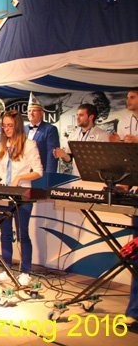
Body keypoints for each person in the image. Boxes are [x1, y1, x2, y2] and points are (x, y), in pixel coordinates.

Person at [0, 110, 43, 288]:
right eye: (4, 126)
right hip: (4, 194)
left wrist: (20, 178)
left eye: (10, 126)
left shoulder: (29, 145)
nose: (7, 129)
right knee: (4, 233)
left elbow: (38, 171)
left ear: (17, 126)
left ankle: (26, 272)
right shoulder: (1, 146)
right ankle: (6, 268)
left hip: (22, 196)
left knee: (22, 234)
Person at [110, 89, 138, 331]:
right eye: (127, 96)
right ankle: (134, 312)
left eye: (133, 96)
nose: (128, 100)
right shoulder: (128, 122)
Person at [53, 103, 109, 176]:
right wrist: (63, 155)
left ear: (91, 117)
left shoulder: (102, 135)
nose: (77, 118)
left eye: (81, 115)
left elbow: (105, 161)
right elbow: (69, 158)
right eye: (77, 115)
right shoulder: (73, 134)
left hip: (95, 177)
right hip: (76, 176)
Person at [24, 92, 60, 174]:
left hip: (40, 173)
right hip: (24, 173)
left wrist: (49, 176)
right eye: (29, 111)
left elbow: (52, 155)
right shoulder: (23, 129)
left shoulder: (50, 129)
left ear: (42, 113)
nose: (31, 113)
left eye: (34, 111)